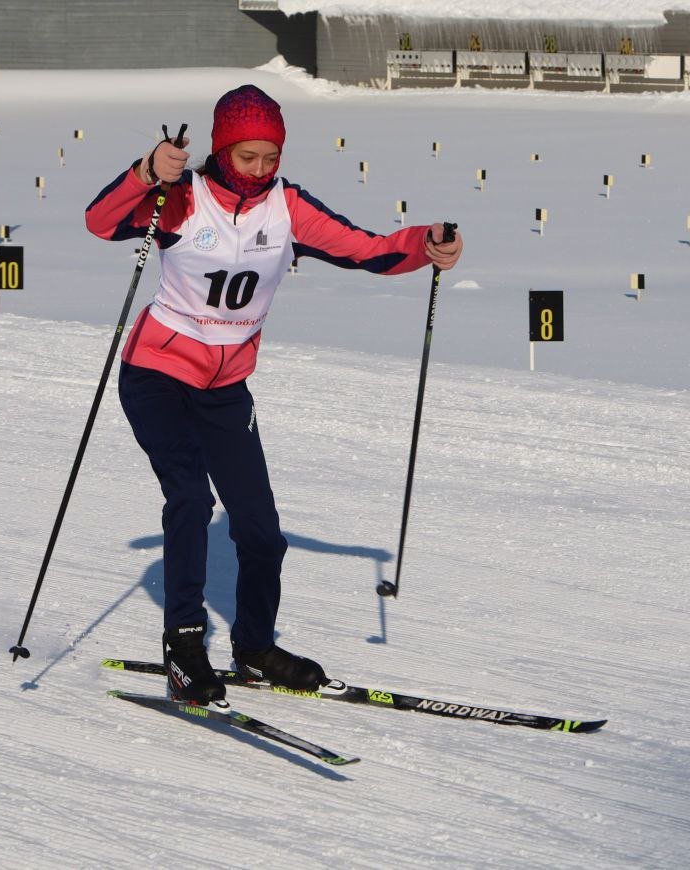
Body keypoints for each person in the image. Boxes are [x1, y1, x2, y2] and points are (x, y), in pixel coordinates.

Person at [84, 84, 463, 704]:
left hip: (226, 389)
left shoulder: (287, 209)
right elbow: (101, 222)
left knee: (261, 531)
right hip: (156, 374)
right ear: (220, 150)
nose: (259, 170)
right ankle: (183, 647)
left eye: (270, 157)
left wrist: (426, 243)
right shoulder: (183, 200)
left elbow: (365, 249)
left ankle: (255, 647)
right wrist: (147, 172)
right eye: (245, 157)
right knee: (189, 499)